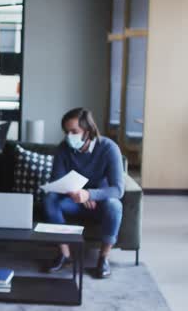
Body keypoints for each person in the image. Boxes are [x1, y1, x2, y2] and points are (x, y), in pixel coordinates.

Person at [43, 107, 124, 279]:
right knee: (50, 199)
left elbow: (118, 189)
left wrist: (89, 194)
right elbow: (57, 181)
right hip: (73, 200)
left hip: (100, 202)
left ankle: (103, 258)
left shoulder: (109, 148)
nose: (69, 136)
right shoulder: (63, 148)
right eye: (66, 132)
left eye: (74, 131)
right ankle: (65, 254)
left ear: (88, 131)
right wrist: (77, 194)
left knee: (114, 205)